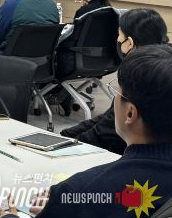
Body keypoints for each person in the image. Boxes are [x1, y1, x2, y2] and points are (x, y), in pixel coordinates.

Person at [0, 44, 172, 218]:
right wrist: (62, 213)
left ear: (130, 113)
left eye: (118, 91)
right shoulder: (84, 196)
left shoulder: (84, 189)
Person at [60, 8, 169, 154]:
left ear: (129, 43)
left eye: (119, 35)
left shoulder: (139, 75)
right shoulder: (162, 64)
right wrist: (66, 135)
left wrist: (65, 145)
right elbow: (109, 117)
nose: (117, 40)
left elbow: (106, 132)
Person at [56, 0, 112, 77]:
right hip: (105, 61)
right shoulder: (109, 9)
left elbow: (73, 38)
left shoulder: (84, 11)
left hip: (78, 61)